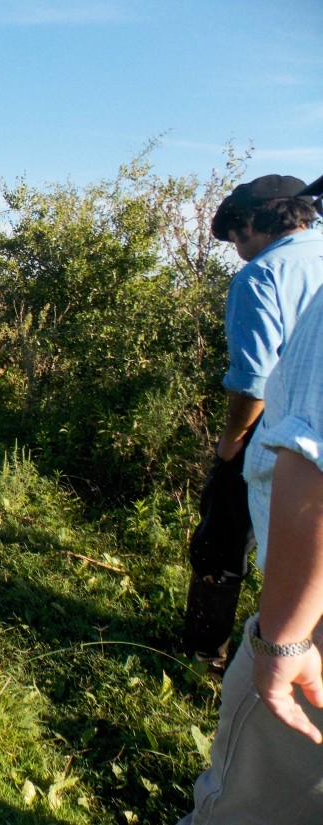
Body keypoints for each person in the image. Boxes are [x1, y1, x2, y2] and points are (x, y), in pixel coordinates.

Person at [178, 266, 323, 824]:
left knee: (245, 802)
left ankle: (202, 646)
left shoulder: (263, 276)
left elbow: (312, 461)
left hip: (309, 601)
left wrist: (284, 640)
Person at [183, 175, 323, 675]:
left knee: (222, 539)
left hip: (274, 430)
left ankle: (209, 652)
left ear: (250, 225)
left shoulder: (263, 275)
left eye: (237, 238)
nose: (239, 252)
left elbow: (253, 380)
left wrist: (229, 444)